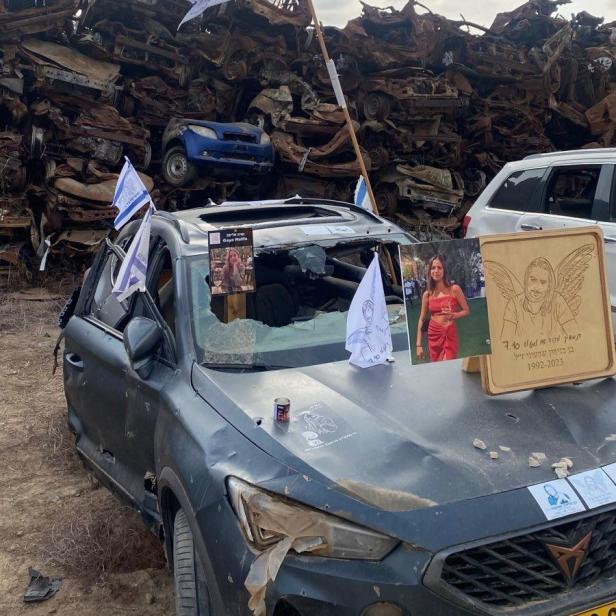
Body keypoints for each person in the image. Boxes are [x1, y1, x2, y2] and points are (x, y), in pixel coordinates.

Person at [501, 257, 575, 340]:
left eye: (543, 282)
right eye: (533, 280)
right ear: (525, 280)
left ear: (549, 286)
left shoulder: (558, 301)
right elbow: (505, 342)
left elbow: (575, 335)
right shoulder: (514, 304)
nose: (537, 287)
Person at [416, 255, 470, 361]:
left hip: (449, 333)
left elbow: (466, 310)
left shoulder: (454, 289)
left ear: (444, 270)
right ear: (430, 271)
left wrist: (455, 315)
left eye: (439, 268)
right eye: (433, 268)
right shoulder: (427, 294)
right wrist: (418, 345)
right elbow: (421, 319)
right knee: (437, 368)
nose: (436, 271)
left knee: (448, 363)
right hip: (433, 334)